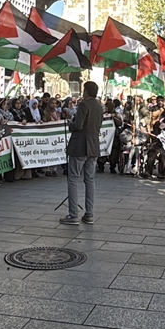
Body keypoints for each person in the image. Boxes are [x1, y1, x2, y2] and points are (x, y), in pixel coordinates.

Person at [61, 81, 103, 225]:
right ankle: (89, 213)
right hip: (93, 147)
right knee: (89, 180)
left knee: (73, 179)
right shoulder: (99, 106)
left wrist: (70, 124)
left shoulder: (84, 105)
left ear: (86, 91)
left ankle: (73, 214)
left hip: (80, 146)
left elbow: (78, 125)